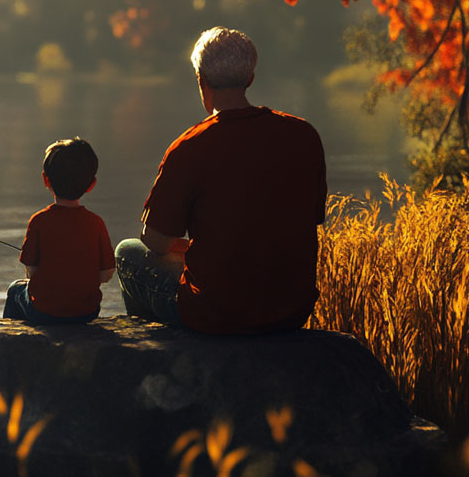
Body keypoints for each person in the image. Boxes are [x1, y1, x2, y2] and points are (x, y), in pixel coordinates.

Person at [115, 26, 327, 334]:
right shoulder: (303, 135)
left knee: (127, 252)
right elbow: (308, 218)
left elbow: (155, 241)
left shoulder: (189, 146)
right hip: (292, 311)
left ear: (201, 80)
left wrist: (188, 247)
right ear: (250, 79)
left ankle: (158, 353)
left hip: (215, 313)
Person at [3, 137, 116, 325]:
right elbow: (106, 273)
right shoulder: (96, 223)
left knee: (15, 289)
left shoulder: (39, 221)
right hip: (87, 312)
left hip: (45, 313)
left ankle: (10, 340)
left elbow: (31, 272)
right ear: (92, 184)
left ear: (45, 180)